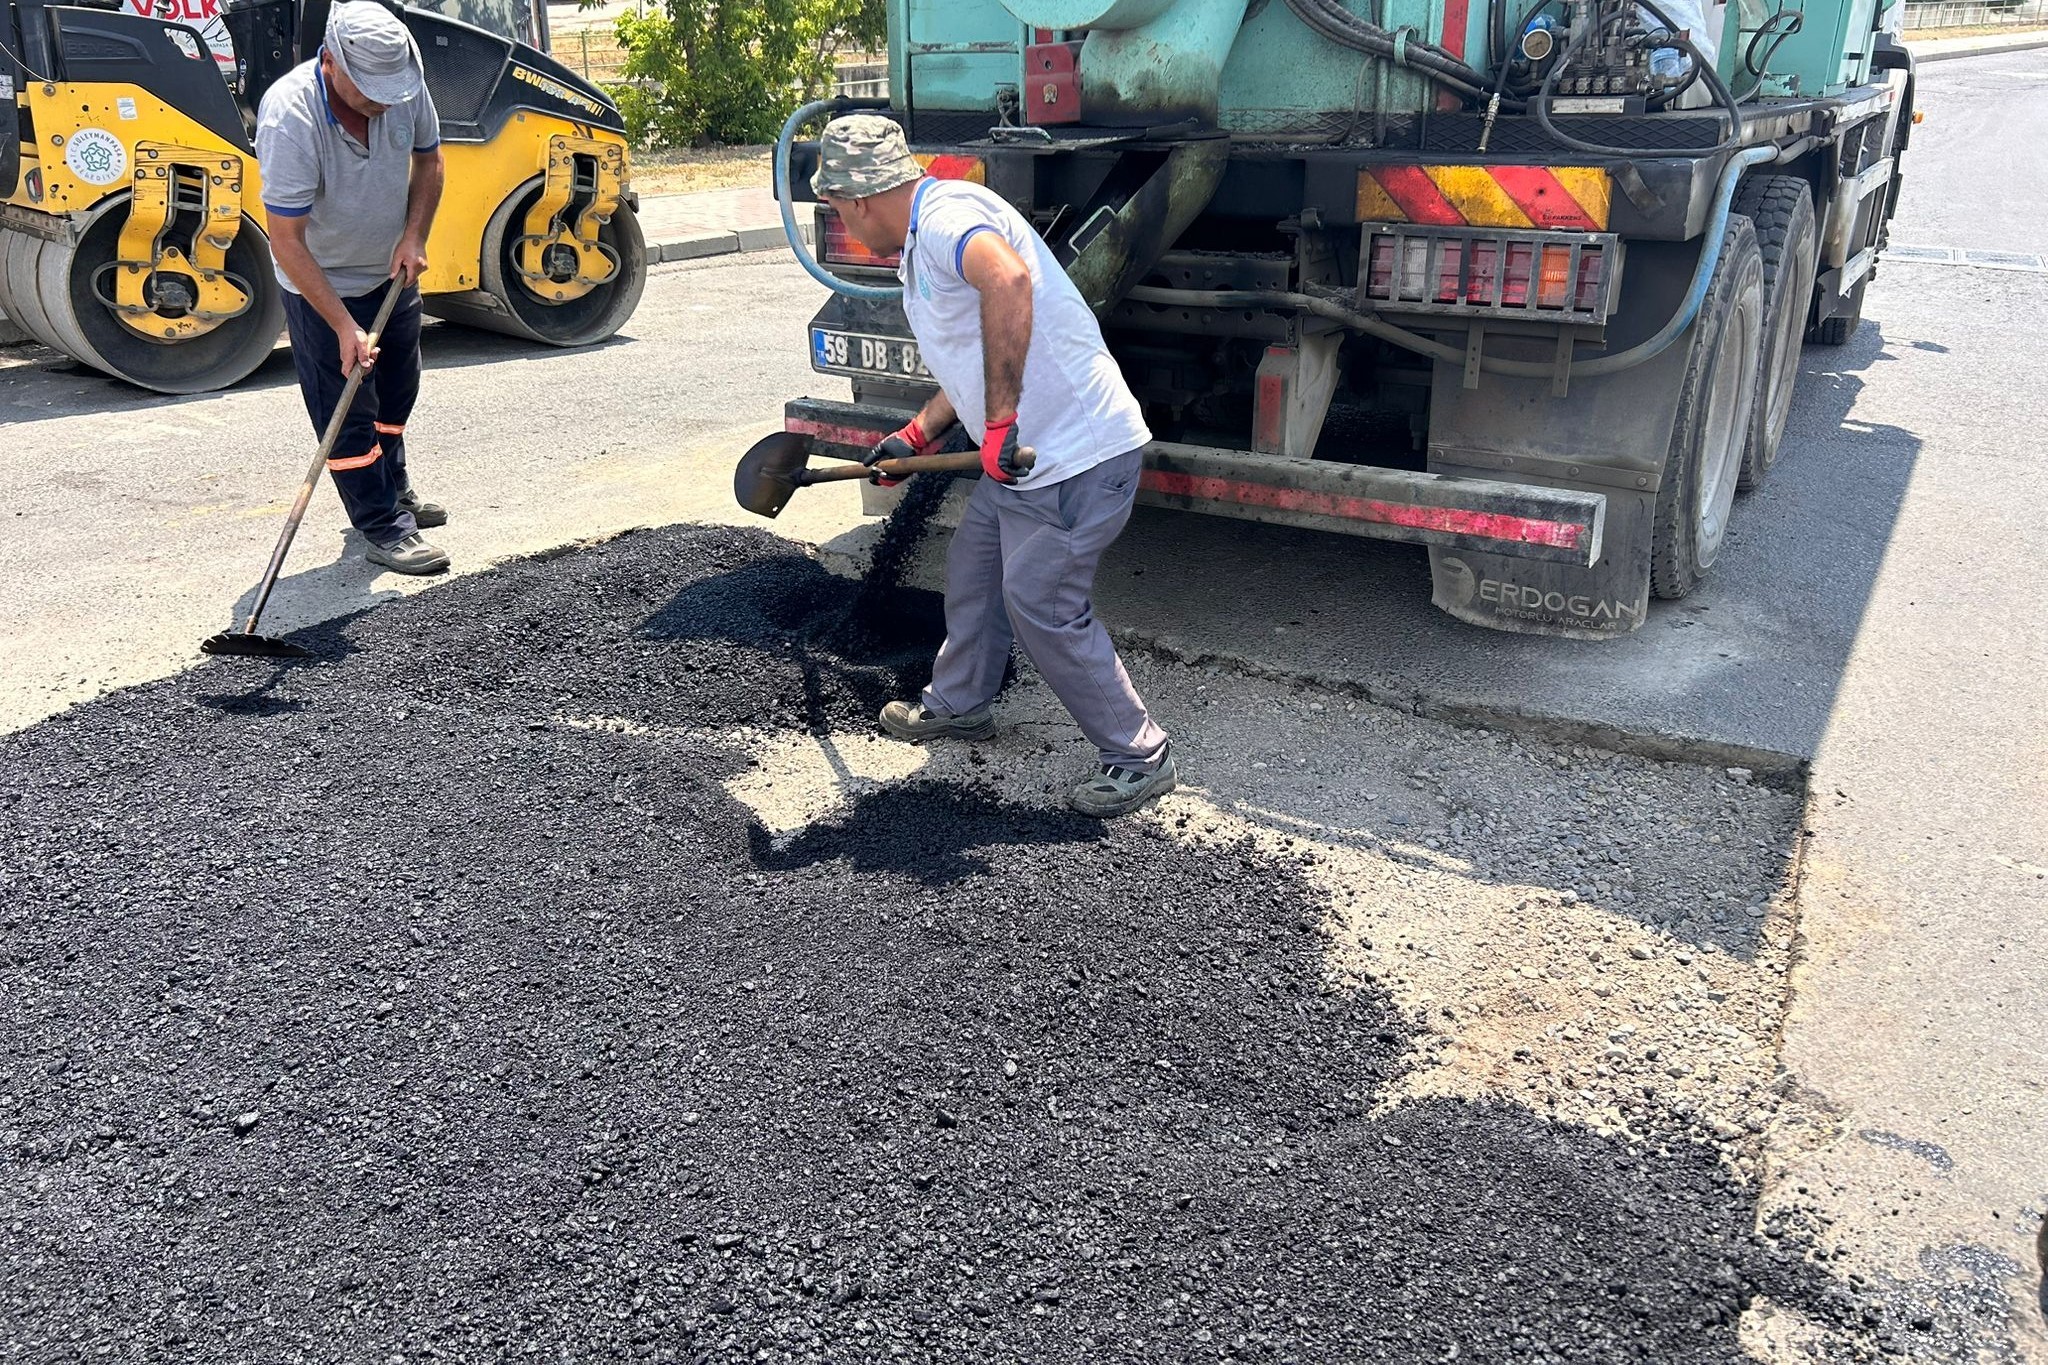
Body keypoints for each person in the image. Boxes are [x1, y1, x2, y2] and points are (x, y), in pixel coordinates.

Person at [813, 115, 1176, 819]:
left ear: (858, 200)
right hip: (1021, 465)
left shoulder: (949, 216)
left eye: (836, 209)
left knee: (1042, 601)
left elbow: (1008, 281)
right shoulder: (924, 236)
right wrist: (917, 435)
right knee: (974, 568)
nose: (843, 223)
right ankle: (961, 704)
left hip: (1077, 453)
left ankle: (1140, 754)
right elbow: (972, 351)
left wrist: (1003, 423)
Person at [255, 1, 449, 575]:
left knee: (396, 394)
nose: (384, 103)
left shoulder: (404, 87)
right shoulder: (290, 116)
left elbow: (430, 163)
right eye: (371, 92)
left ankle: (396, 488)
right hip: (322, 284)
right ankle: (382, 525)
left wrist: (414, 236)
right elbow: (285, 239)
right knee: (347, 413)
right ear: (332, 62)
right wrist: (342, 325)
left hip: (389, 272)